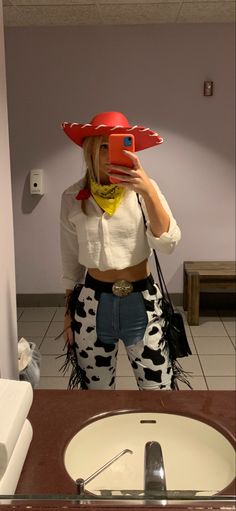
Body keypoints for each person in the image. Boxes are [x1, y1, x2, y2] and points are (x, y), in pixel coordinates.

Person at [60, 111, 181, 390]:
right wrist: (68, 313)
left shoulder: (144, 190)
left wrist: (148, 189)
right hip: (92, 304)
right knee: (96, 392)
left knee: (157, 389)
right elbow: (69, 262)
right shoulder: (72, 197)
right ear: (89, 149)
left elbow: (168, 243)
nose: (110, 154)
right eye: (103, 146)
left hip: (142, 301)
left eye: (121, 145)